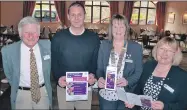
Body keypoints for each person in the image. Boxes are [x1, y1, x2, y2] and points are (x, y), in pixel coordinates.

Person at [51, 2, 100, 110]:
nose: (76, 18)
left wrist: (93, 75)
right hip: (64, 86)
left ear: (84, 16)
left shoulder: (93, 38)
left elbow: (95, 62)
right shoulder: (58, 38)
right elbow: (54, 63)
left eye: (79, 14)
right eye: (73, 15)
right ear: (68, 17)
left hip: (85, 87)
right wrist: (58, 78)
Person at [1, 16, 52, 109]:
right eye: (26, 33)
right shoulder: (8, 51)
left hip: (43, 93)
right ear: (20, 34)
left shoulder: (48, 46)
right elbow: (9, 74)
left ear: (38, 34)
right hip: (21, 94)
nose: (30, 36)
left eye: (34, 32)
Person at [125, 37, 187, 110]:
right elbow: (138, 90)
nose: (164, 53)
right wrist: (133, 100)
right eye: (161, 49)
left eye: (169, 50)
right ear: (156, 50)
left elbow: (183, 105)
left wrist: (165, 107)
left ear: (175, 54)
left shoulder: (182, 76)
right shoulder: (147, 66)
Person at [97, 14, 143, 110]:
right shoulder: (104, 45)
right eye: (115, 27)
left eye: (121, 27)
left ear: (126, 28)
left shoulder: (136, 48)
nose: (118, 30)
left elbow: (138, 72)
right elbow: (100, 69)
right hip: (107, 94)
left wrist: (127, 81)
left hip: (127, 96)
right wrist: (100, 78)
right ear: (111, 28)